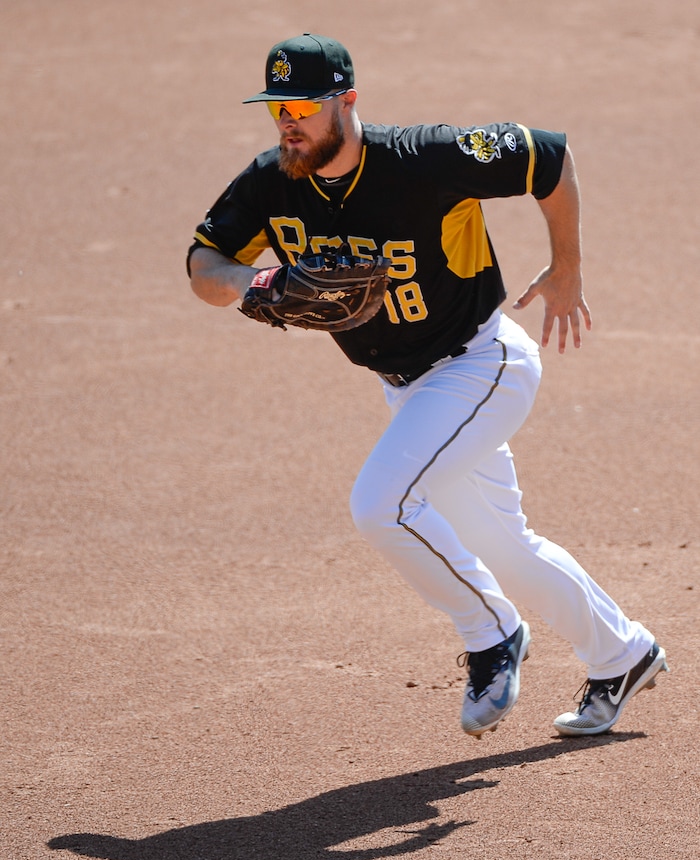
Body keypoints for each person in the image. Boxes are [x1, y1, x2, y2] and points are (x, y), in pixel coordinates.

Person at [187, 33, 668, 738]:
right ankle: (623, 653)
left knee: (380, 503)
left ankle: (493, 632)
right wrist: (253, 282)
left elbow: (548, 157)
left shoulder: (424, 158)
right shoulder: (272, 179)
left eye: (302, 105)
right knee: (508, 547)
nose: (287, 120)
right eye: (276, 108)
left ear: (346, 100)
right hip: (409, 388)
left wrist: (568, 266)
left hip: (481, 362)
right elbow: (204, 262)